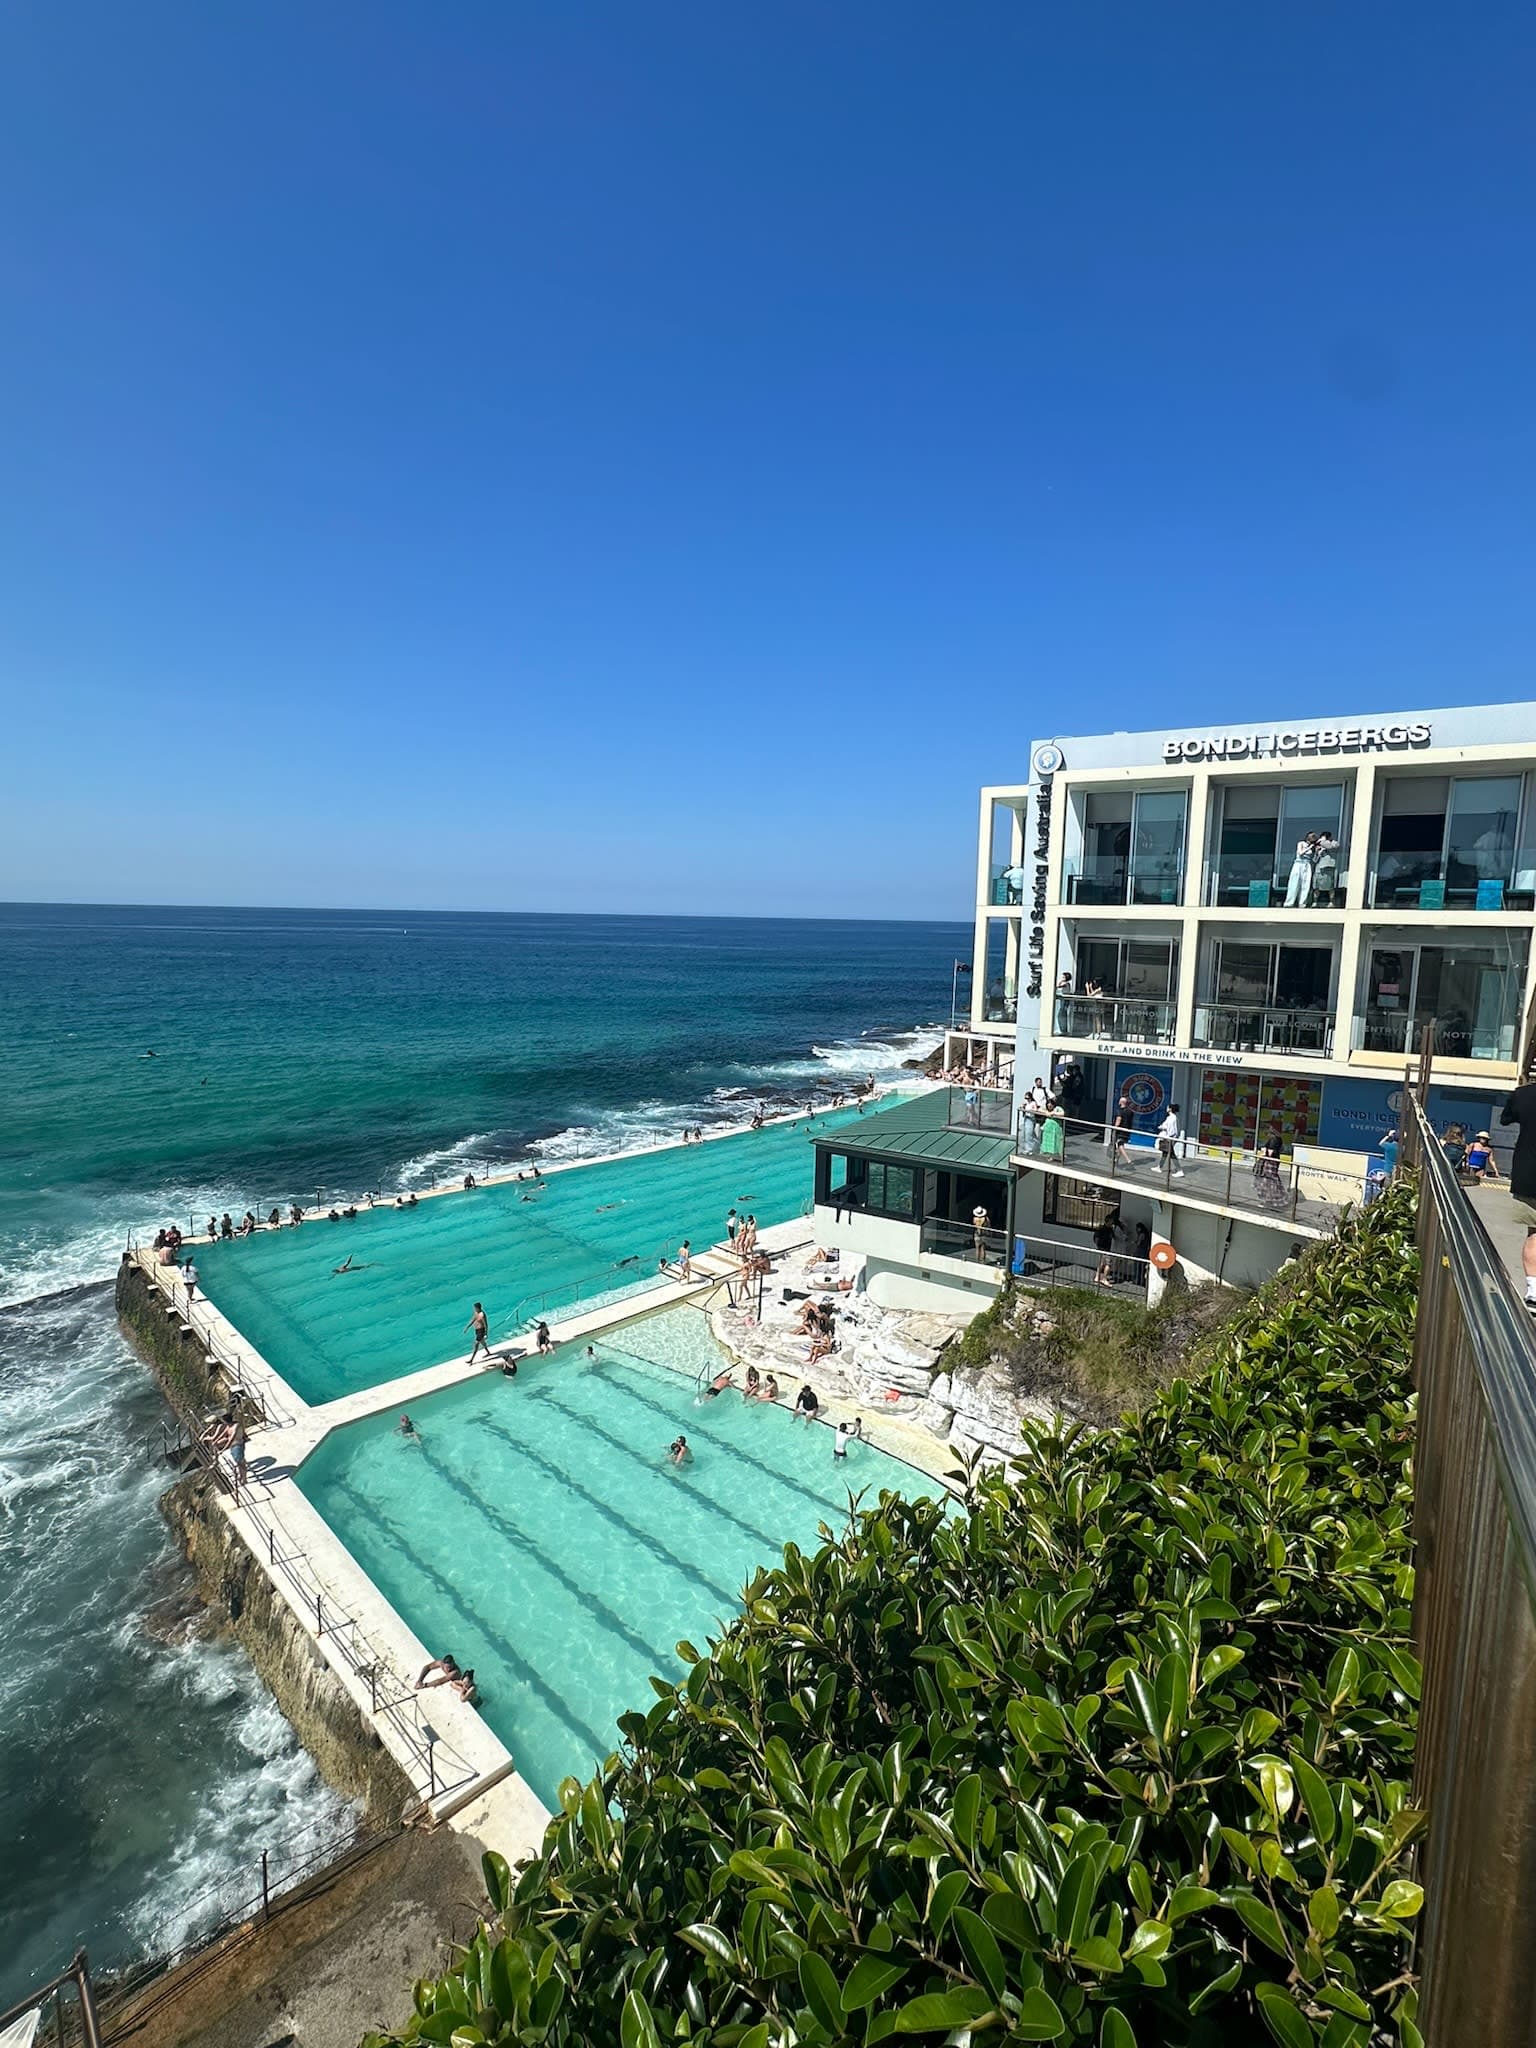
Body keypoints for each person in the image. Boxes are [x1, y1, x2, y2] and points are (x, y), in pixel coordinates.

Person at [1499, 1081, 1536, 1314]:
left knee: (1534, 1232)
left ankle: (1533, 1290)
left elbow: (1505, 1119)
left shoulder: (1523, 1094)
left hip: (1529, 1175)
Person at [1253, 1125, 1286, 1209]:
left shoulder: (1273, 1140)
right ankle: (1276, 1200)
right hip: (1274, 1162)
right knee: (1272, 1181)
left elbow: (1269, 1153)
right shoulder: (1278, 1139)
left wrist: (1263, 1152)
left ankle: (1267, 1201)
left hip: (1269, 1163)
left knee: (1267, 1181)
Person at [1284, 832, 1315, 908]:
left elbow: (1314, 858)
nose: (1313, 837)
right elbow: (1300, 853)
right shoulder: (1301, 843)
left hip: (1307, 865)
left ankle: (1302, 903)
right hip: (1298, 864)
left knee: (1305, 884)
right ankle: (1289, 902)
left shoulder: (1313, 847)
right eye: (1312, 836)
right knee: (1294, 882)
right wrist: (1309, 848)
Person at [1092, 1208, 1120, 1288]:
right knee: (1108, 1264)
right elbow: (1096, 1238)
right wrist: (1099, 1246)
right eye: (1111, 1221)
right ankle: (1104, 1278)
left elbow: (1114, 1237)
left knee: (1101, 1263)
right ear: (1107, 1221)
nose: (1112, 1223)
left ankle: (1097, 1277)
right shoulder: (1102, 1229)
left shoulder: (1110, 1229)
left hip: (1106, 1248)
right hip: (1104, 1248)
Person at [1110, 1089, 1137, 1170]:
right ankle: (1116, 1161)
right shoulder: (1130, 1111)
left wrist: (1114, 1129)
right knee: (1120, 1146)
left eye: (1119, 1101)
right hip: (1127, 1130)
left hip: (1120, 1131)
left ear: (1121, 1102)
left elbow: (1118, 1121)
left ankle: (1128, 1160)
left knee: (1120, 1145)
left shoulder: (1120, 1111)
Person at [1312, 832, 1340, 906]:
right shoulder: (1319, 847)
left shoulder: (1334, 843)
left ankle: (1331, 902)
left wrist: (1322, 842)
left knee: (1330, 885)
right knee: (1316, 885)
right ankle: (1315, 902)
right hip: (1319, 868)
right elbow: (1314, 860)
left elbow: (1331, 846)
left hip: (1329, 867)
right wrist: (1318, 853)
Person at [1157, 1103, 1185, 1177]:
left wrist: (1167, 1136)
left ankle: (1179, 1170)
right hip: (1170, 1137)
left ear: (1170, 1109)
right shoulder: (1171, 1117)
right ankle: (1159, 1167)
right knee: (1165, 1152)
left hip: (1170, 1138)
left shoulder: (1172, 1118)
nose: (1166, 1109)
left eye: (1167, 1107)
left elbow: (1171, 1130)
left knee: (1171, 1154)